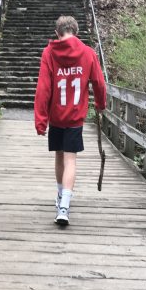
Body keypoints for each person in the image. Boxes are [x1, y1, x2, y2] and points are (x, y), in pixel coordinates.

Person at [34, 16, 106, 226]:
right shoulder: (88, 53)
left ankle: (60, 197)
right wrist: (101, 104)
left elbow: (43, 88)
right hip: (75, 117)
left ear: (57, 33)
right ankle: (64, 206)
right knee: (70, 159)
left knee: (59, 156)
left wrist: (41, 120)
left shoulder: (49, 53)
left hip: (56, 116)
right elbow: (99, 83)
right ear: (76, 31)